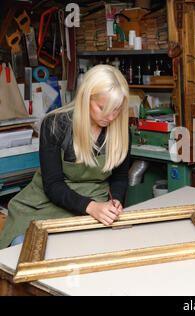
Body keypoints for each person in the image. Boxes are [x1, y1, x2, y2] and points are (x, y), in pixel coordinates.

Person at [0, 65, 131, 249]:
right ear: (86, 98)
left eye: (116, 109)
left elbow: (120, 177)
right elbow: (53, 184)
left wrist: (115, 199)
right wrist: (91, 207)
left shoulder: (120, 130)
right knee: (24, 246)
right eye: (102, 108)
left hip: (96, 199)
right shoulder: (54, 125)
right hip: (45, 202)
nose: (110, 116)